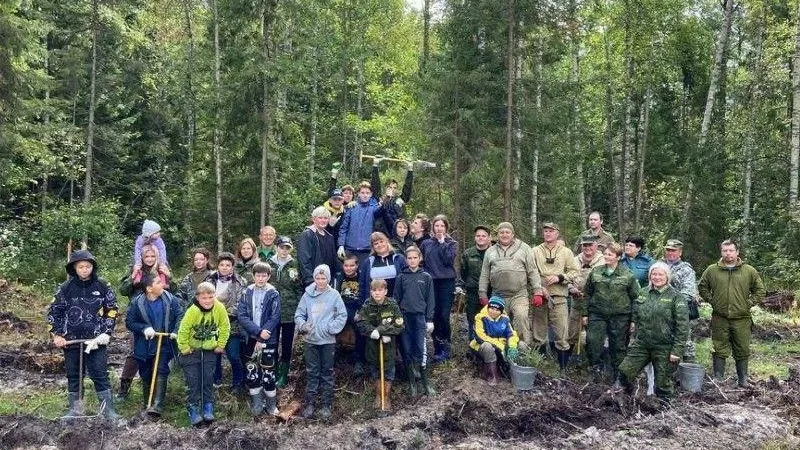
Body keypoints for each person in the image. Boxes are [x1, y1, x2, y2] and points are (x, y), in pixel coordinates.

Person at [47, 250, 121, 420]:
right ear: (74, 268)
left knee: (100, 373)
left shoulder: (102, 286)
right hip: (71, 339)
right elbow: (54, 312)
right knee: (74, 375)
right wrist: (57, 335)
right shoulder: (65, 288)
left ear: (92, 267)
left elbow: (111, 310)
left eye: (88, 266)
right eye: (81, 267)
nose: (85, 270)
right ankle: (75, 410)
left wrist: (106, 333)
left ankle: (108, 411)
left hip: (95, 340)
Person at [699, 239, 765, 388]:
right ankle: (718, 378)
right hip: (719, 317)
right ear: (721, 252)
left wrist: (747, 304)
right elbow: (702, 287)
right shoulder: (712, 270)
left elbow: (760, 291)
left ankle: (743, 379)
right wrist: (713, 300)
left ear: (737, 252)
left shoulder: (749, 271)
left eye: (730, 250)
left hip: (742, 318)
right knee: (719, 347)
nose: (727, 253)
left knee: (742, 348)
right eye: (724, 251)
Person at [618, 262, 689, 400]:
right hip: (642, 344)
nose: (657, 277)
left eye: (660, 274)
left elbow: (683, 326)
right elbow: (636, 310)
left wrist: (677, 351)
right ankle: (624, 399)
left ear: (667, 277)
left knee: (662, 384)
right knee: (625, 371)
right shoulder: (643, 292)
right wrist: (633, 324)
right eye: (654, 274)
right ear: (650, 276)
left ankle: (665, 409)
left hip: (665, 347)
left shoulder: (676, 297)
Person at [117, 244, 173, 401]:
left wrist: (170, 276)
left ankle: (154, 394)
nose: (149, 259)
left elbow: (173, 291)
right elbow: (123, 290)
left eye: (152, 256)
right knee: (136, 351)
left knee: (159, 352)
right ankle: (124, 387)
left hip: (160, 314)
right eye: (146, 256)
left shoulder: (162, 269)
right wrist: (132, 276)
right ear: (141, 257)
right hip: (139, 314)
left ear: (157, 256)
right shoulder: (135, 269)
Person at [124, 273, 183, 416]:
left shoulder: (171, 300)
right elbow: (130, 323)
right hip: (144, 344)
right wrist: (144, 328)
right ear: (149, 289)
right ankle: (147, 402)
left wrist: (176, 330)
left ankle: (157, 405)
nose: (162, 284)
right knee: (146, 372)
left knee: (162, 369)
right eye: (157, 282)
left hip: (164, 342)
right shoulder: (137, 303)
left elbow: (180, 315)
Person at [295, 264, 347, 420]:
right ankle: (310, 404)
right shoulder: (307, 295)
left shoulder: (334, 295)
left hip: (327, 341)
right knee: (312, 372)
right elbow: (299, 314)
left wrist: (331, 328)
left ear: (328, 279)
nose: (320, 281)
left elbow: (342, 315)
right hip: (310, 340)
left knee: (327, 373)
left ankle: (326, 404)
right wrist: (304, 326)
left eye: (323, 278)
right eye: (317, 278)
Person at [583, 243, 640, 384]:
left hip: (620, 316)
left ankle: (618, 378)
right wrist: (585, 314)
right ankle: (594, 372)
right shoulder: (596, 272)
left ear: (618, 257)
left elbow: (636, 299)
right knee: (592, 342)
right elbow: (587, 294)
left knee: (619, 347)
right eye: (605, 254)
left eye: (610, 254)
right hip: (597, 314)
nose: (606, 256)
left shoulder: (628, 275)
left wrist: (633, 320)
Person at [478, 222, 542, 347]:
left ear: (513, 234)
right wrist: (482, 294)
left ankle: (522, 348)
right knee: (497, 322)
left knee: (521, 317)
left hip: (519, 294)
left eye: (507, 232)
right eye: (501, 232)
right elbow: (485, 274)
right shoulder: (490, 251)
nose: (504, 235)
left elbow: (532, 271)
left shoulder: (525, 248)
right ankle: (501, 350)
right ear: (498, 235)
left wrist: (537, 291)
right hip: (497, 295)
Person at [177, 281, 230, 426]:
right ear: (198, 298)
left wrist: (221, 344)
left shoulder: (219, 308)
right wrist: (184, 347)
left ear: (215, 296)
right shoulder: (193, 311)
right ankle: (192, 407)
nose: (207, 301)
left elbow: (225, 326)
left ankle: (207, 406)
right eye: (204, 298)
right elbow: (183, 330)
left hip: (210, 350)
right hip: (191, 351)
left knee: (207, 379)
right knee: (193, 381)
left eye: (210, 297)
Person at [530, 222, 580, 372]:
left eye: (551, 231)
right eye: (545, 231)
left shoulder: (566, 252)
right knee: (538, 334)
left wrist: (560, 277)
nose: (548, 233)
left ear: (557, 234)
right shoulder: (535, 251)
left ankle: (562, 370)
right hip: (540, 296)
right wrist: (538, 288)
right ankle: (537, 366)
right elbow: (530, 272)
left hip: (559, 297)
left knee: (561, 334)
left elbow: (574, 272)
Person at [237, 262, 281, 416]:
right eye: (258, 275)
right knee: (252, 370)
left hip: (269, 338)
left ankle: (271, 405)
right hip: (251, 337)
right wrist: (257, 332)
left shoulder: (273, 293)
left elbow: (275, 316)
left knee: (268, 372)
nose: (261, 278)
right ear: (253, 275)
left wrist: (264, 333)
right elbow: (241, 316)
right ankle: (257, 403)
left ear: (268, 276)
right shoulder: (246, 292)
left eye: (264, 276)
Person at [355, 279, 405, 411]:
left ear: (385, 291)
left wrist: (383, 332)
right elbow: (361, 322)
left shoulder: (392, 305)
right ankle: (378, 395)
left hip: (388, 346)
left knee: (388, 372)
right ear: (371, 292)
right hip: (372, 345)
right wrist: (372, 332)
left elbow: (399, 324)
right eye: (374, 290)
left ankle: (386, 397)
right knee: (375, 371)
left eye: (380, 290)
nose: (377, 293)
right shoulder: (367, 306)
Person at [394, 246, 436, 396]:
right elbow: (396, 300)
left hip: (419, 318)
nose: (412, 260)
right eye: (409, 258)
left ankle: (425, 382)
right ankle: (412, 383)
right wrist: (397, 317)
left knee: (421, 349)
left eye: (415, 258)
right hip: (405, 318)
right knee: (407, 349)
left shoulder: (426, 277)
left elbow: (430, 299)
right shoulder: (401, 277)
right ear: (406, 260)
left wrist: (429, 319)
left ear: (420, 259)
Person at [204, 251, 248, 394]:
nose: (224, 267)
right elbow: (203, 299)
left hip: (232, 324)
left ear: (233, 266)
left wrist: (225, 315)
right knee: (214, 354)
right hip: (212, 323)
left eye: (228, 265)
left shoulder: (240, 282)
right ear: (218, 266)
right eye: (222, 264)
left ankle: (238, 383)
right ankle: (216, 380)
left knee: (234, 355)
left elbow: (241, 303)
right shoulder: (209, 280)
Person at [420, 215, 458, 364]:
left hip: (446, 282)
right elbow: (421, 261)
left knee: (444, 315)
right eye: (437, 226)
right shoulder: (426, 244)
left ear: (446, 228)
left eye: (442, 226)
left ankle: (446, 346)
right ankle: (437, 348)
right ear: (432, 227)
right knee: (433, 315)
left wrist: (442, 243)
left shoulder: (451, 243)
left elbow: (448, 260)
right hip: (430, 282)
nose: (439, 229)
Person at [267, 236, 303, 388]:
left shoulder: (295, 264)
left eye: (287, 248)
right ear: (276, 247)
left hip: (290, 310)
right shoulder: (268, 264)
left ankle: (283, 374)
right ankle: (272, 371)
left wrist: (300, 309)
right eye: (282, 247)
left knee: (287, 344)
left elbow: (299, 288)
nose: (284, 250)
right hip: (272, 311)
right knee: (272, 343)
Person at [661, 239, 699, 362]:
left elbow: (687, 293)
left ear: (680, 252)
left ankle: (687, 372)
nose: (670, 253)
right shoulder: (659, 265)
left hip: (680, 311)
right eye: (668, 250)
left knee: (685, 343)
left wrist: (670, 304)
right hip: (660, 311)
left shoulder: (686, 269)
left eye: (673, 250)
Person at [566, 234, 604, 359]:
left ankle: (593, 363)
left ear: (596, 246)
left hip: (595, 304)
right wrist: (571, 288)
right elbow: (567, 277)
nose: (587, 248)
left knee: (593, 335)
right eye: (585, 245)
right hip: (577, 302)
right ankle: (566, 363)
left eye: (590, 245)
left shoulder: (603, 260)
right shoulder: (574, 260)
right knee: (572, 333)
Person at [469, 296, 519, 385]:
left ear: (501, 311)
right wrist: (499, 346)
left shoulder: (505, 319)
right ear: (488, 307)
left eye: (497, 310)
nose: (494, 311)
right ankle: (492, 375)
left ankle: (512, 372)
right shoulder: (480, 317)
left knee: (520, 345)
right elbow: (480, 336)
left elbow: (511, 334)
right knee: (487, 346)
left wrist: (512, 347)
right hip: (481, 347)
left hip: (501, 346)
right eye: (491, 308)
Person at [337, 180, 384, 265]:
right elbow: (343, 228)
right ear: (358, 193)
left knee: (364, 276)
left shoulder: (374, 208)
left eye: (367, 193)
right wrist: (341, 245)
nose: (365, 195)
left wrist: (385, 201)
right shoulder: (351, 207)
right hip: (349, 250)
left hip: (366, 251)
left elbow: (381, 210)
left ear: (371, 194)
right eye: (362, 192)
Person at [334, 253, 366, 376]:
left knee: (360, 327)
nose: (349, 268)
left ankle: (359, 360)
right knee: (333, 326)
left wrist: (361, 309)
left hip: (357, 307)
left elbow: (365, 295)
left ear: (357, 265)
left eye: (352, 265)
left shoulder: (362, 277)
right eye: (346, 265)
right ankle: (333, 353)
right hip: (341, 307)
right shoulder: (338, 277)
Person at [459, 225, 492, 342]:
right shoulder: (468, 253)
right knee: (472, 319)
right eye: (478, 235)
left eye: (483, 236)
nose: (481, 238)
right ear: (475, 238)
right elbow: (463, 272)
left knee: (490, 319)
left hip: (491, 293)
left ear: (489, 238)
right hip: (473, 293)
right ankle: (473, 346)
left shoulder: (494, 253)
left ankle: (490, 346)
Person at [358, 232, 407, 304]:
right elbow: (362, 285)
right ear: (373, 247)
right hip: (374, 305)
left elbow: (406, 282)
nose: (379, 245)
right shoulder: (368, 262)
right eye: (376, 243)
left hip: (396, 304)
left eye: (381, 241)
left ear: (387, 242)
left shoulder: (399, 259)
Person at [297, 206, 339, 286]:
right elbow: (304, 260)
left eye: (326, 218)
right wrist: (310, 280)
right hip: (312, 282)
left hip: (327, 282)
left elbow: (333, 261)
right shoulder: (307, 235)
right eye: (320, 218)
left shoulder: (329, 237)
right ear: (313, 219)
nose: (323, 220)